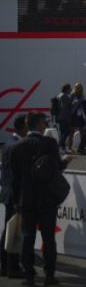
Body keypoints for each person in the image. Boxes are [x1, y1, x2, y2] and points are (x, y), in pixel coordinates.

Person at [9, 112, 72, 286]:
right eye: (44, 123)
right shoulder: (49, 144)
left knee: (27, 238)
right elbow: (56, 167)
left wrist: (16, 201)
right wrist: (65, 161)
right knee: (48, 238)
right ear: (38, 125)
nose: (45, 126)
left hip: (26, 199)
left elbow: (14, 179)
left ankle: (29, 274)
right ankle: (49, 275)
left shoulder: (16, 147)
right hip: (47, 199)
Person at [1, 114, 30, 278]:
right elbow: (17, 176)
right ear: (24, 127)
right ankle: (12, 267)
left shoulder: (9, 144)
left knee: (7, 231)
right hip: (15, 195)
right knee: (14, 232)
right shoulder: (18, 146)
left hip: (7, 193)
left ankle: (5, 265)